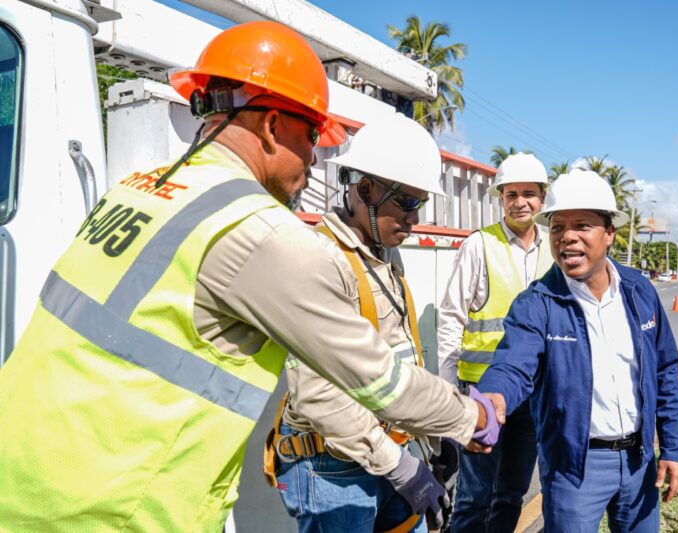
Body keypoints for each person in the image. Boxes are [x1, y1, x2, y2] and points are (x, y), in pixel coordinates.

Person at [0, 22, 500, 532]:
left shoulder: (137, 190)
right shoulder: (263, 233)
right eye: (310, 139)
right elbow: (381, 382)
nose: (313, 159)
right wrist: (472, 420)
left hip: (26, 478)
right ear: (272, 126)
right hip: (113, 509)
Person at [265, 113, 449, 532]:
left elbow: (397, 361)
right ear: (364, 189)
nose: (414, 218)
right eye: (407, 202)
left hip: (391, 453)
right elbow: (317, 395)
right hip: (335, 470)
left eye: (421, 203)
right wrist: (402, 468)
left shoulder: (386, 254)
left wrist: (433, 441)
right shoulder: (319, 260)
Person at [477, 169, 678, 532]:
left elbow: (664, 372)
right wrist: (491, 396)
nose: (567, 238)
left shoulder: (639, 292)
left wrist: (673, 448)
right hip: (573, 468)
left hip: (640, 462)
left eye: (582, 226)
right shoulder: (537, 304)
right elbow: (513, 365)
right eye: (557, 228)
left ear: (609, 234)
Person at [437, 153, 553, 532]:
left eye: (529, 194)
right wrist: (448, 383)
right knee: (474, 493)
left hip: (533, 393)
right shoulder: (479, 245)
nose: (520, 202)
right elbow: (452, 314)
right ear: (500, 198)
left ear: (542, 198)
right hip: (482, 391)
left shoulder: (554, 249)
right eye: (511, 194)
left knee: (512, 493)